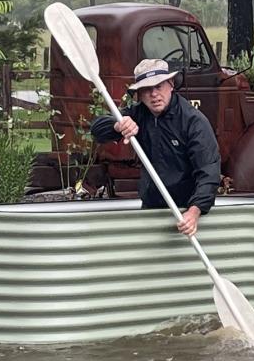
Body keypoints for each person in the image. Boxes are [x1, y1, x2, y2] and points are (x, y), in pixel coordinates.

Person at [90, 59, 221, 236]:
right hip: (150, 209)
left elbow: (209, 171)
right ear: (139, 94)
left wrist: (195, 211)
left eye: (159, 86)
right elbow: (97, 129)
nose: (154, 94)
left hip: (186, 212)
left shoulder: (193, 122)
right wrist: (117, 125)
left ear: (171, 84)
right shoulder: (138, 114)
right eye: (146, 89)